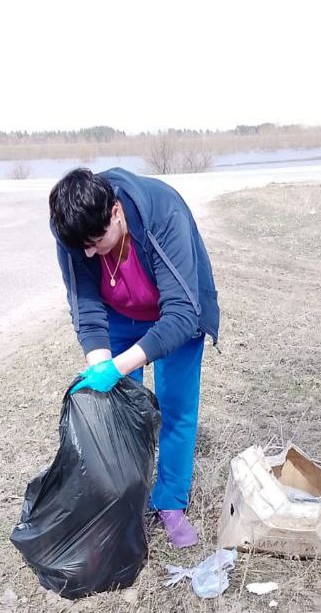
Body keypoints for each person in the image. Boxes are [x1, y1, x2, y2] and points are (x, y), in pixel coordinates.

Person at [49, 168, 220, 550]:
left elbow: (181, 312)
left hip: (175, 315)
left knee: (176, 408)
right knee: (122, 412)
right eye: (83, 248)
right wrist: (100, 363)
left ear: (115, 213)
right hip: (119, 314)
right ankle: (129, 496)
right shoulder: (73, 227)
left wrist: (119, 366)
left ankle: (171, 502)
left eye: (97, 242)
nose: (90, 253)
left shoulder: (161, 212)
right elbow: (86, 303)